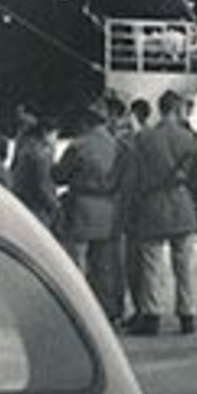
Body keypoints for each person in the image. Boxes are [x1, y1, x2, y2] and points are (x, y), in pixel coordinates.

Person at [124, 90, 197, 336]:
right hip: (182, 205)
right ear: (178, 109)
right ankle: (187, 314)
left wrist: (132, 208)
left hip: (152, 204)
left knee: (151, 264)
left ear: (160, 109)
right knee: (183, 266)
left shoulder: (143, 139)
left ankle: (151, 314)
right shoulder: (190, 138)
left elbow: (133, 178)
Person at [51, 103, 124, 322]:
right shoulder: (118, 145)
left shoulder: (78, 145)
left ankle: (80, 311)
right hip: (110, 208)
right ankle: (108, 311)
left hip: (82, 207)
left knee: (77, 261)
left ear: (85, 122)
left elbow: (60, 176)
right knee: (106, 266)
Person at [9, 105, 60, 232]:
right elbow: (43, 185)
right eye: (56, 134)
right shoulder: (40, 154)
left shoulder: (26, 146)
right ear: (46, 132)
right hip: (36, 207)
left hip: (23, 201)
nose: (56, 138)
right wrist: (56, 206)